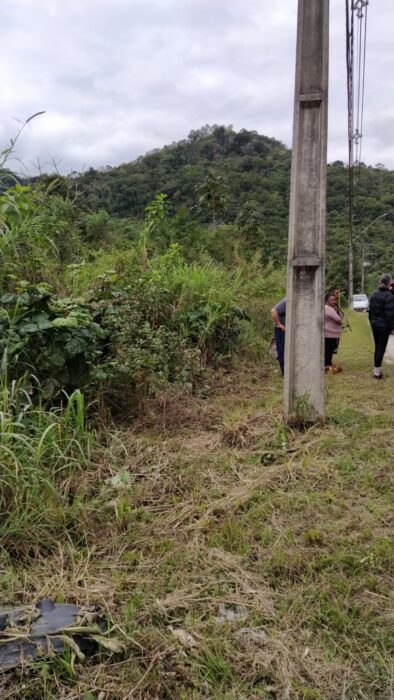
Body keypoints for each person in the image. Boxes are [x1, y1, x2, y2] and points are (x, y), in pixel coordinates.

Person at [368, 273, 394, 379]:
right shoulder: (389, 296)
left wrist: (371, 322)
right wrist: (392, 327)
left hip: (375, 324)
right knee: (381, 348)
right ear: (389, 282)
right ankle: (377, 372)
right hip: (384, 326)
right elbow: (390, 314)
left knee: (377, 347)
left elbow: (370, 312)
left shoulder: (374, 294)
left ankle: (377, 370)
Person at [324, 292, 343, 371]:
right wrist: (340, 321)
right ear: (327, 301)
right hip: (330, 334)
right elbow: (338, 320)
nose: (334, 301)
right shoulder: (328, 309)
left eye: (334, 300)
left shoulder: (331, 308)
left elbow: (341, 316)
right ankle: (327, 365)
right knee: (329, 350)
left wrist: (338, 311)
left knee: (329, 350)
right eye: (331, 300)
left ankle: (328, 364)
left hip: (331, 334)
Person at [270, 297, 286, 376]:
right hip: (281, 331)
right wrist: (279, 324)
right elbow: (273, 310)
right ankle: (284, 372)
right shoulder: (287, 300)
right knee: (282, 350)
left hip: (288, 331)